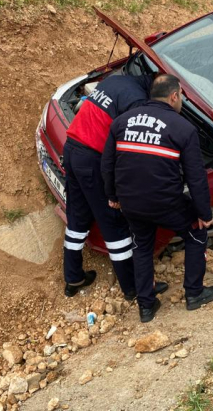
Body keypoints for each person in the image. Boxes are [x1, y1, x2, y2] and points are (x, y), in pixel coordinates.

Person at [102, 74, 213, 322]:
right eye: (182, 97)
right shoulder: (183, 128)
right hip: (166, 203)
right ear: (174, 96)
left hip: (131, 203)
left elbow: (108, 164)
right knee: (196, 233)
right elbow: (196, 177)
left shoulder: (121, 122)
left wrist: (113, 196)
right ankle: (194, 293)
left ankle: (146, 307)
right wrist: (204, 214)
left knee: (142, 247)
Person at [62, 73, 153, 299]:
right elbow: (131, 146)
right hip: (92, 159)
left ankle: (73, 278)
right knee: (114, 224)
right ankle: (133, 289)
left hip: (72, 148)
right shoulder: (137, 100)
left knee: (77, 218)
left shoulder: (114, 80)